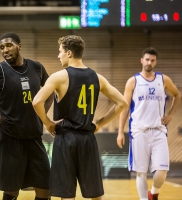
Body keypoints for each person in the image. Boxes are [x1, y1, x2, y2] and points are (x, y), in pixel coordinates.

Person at [32, 35, 128, 200]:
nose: (58, 55)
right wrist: (99, 123)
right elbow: (122, 103)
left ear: (69, 53)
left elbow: (36, 102)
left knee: (67, 195)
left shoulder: (59, 77)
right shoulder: (98, 77)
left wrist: (47, 123)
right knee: (96, 194)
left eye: (60, 51)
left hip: (65, 140)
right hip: (88, 140)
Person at [0, 32, 53, 200]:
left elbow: (50, 91)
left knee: (45, 188)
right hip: (10, 140)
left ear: (19, 46)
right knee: (11, 192)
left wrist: (42, 113)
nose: (5, 50)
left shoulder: (37, 68)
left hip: (34, 138)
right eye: (2, 47)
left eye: (9, 45)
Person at [117, 47, 181, 200]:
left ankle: (153, 192)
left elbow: (177, 95)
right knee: (141, 172)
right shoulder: (133, 81)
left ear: (155, 62)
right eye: (147, 59)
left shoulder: (163, 79)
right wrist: (120, 132)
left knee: (162, 171)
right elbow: (124, 108)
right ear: (142, 60)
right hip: (139, 131)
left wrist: (171, 115)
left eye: (152, 60)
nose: (149, 62)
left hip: (159, 130)